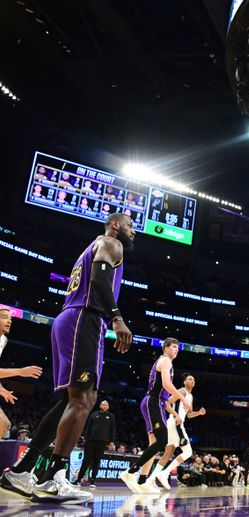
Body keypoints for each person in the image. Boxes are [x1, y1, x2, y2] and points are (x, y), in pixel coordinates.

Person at [0, 213, 134, 504]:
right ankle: (53, 477)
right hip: (84, 319)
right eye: (130, 225)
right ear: (114, 225)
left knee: (68, 402)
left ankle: (22, 471)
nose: (133, 231)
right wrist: (117, 318)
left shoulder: (93, 246)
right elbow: (99, 279)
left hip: (70, 319)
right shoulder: (112, 243)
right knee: (84, 400)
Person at [120, 338, 191, 493]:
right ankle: (130, 472)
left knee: (154, 444)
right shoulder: (165, 361)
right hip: (152, 402)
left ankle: (142, 480)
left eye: (178, 348)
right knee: (162, 441)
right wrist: (183, 397)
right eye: (174, 347)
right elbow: (166, 384)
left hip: (156, 403)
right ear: (165, 348)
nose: (176, 350)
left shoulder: (165, 362)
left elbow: (165, 398)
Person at [151, 374, 206, 490]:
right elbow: (166, 402)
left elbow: (189, 415)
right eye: (190, 379)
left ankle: (151, 479)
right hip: (176, 423)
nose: (193, 381)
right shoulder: (182, 391)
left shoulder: (190, 396)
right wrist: (176, 416)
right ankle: (164, 473)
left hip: (175, 423)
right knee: (188, 452)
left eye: (194, 379)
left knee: (168, 454)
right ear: (184, 382)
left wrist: (199, 413)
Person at [0, 307, 43, 438]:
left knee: (3, 425)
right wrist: (20, 371)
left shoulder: (3, 340)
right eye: (4, 317)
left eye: (10, 319)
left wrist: (1, 389)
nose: (9, 321)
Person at [77, 400, 116, 487]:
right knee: (86, 460)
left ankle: (93, 481)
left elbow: (112, 430)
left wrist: (111, 441)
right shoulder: (94, 414)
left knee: (96, 461)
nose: (105, 406)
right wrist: (86, 439)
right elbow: (88, 427)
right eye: (103, 404)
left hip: (102, 442)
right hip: (90, 441)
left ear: (108, 407)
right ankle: (78, 479)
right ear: (100, 406)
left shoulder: (111, 416)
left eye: (106, 405)